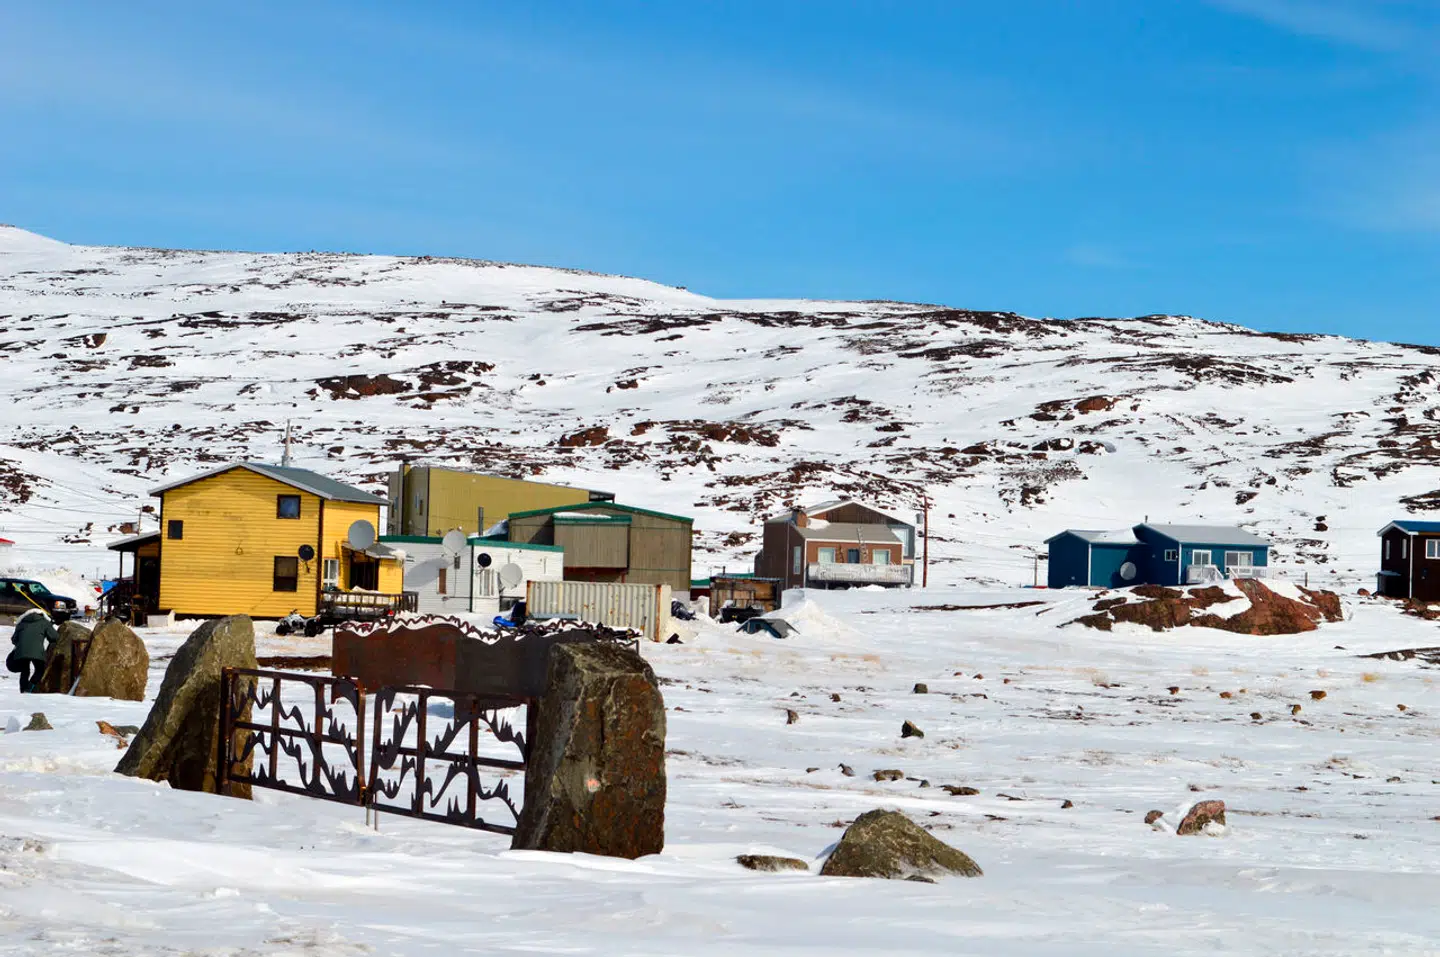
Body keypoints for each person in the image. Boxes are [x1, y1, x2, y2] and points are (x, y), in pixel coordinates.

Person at [8, 608, 57, 693]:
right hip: (37, 651)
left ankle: (23, 690)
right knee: (40, 670)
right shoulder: (44, 623)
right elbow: (54, 637)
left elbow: (14, 640)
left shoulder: (22, 623)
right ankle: (30, 687)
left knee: (25, 670)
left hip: (21, 651)